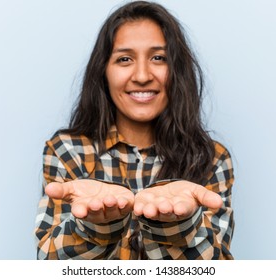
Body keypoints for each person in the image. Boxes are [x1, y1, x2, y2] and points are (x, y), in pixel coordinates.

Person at [35, 1, 234, 260]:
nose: (142, 75)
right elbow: (50, 264)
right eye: (125, 59)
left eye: (158, 58)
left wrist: (178, 226)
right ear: (103, 71)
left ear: (178, 70)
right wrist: (97, 228)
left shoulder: (212, 159)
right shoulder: (67, 150)